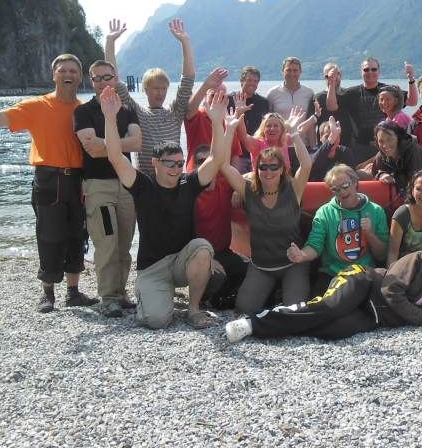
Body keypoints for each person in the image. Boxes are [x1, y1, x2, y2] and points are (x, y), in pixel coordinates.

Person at [0, 59, 99, 313]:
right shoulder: (36, 106)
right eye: (62, 70)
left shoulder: (85, 109)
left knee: (77, 235)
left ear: (81, 77)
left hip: (78, 180)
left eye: (73, 71)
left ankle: (73, 292)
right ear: (54, 75)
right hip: (49, 178)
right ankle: (47, 293)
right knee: (49, 236)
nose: (68, 74)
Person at [101, 86, 230, 329]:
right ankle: (152, 293)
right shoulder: (142, 186)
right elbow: (115, 157)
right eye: (169, 163)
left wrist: (216, 121)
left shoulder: (189, 184)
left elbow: (217, 159)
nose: (175, 168)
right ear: (154, 163)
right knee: (156, 321)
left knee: (203, 247)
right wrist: (110, 117)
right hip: (153, 268)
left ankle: (193, 309)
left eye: (179, 163)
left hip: (182, 261)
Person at [225, 233, 422, 343]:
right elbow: (391, 291)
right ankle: (254, 323)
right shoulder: (417, 261)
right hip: (364, 282)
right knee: (329, 308)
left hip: (375, 316)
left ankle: (281, 325)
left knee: (333, 331)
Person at [218, 115, 313, 314]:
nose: (268, 172)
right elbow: (225, 166)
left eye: (274, 167)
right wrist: (230, 129)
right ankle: (272, 293)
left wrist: (293, 132)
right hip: (262, 266)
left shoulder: (293, 190)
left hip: (293, 263)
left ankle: (282, 292)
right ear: (257, 169)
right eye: (263, 167)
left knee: (295, 310)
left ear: (282, 169)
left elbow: (306, 165)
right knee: (244, 308)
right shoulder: (249, 191)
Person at [74, 59, 142, 318]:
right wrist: (119, 143)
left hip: (127, 185)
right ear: (91, 81)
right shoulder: (84, 111)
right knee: (106, 242)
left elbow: (137, 143)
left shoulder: (127, 110)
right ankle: (108, 297)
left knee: (124, 242)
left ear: (115, 78)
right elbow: (91, 148)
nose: (103, 82)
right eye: (97, 78)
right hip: (98, 186)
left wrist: (108, 145)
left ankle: (121, 293)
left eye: (107, 77)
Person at [107, 19, 194, 177]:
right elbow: (114, 80)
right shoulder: (137, 113)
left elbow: (187, 81)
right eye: (156, 88)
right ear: (146, 90)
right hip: (147, 183)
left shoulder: (175, 113)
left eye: (163, 88)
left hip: (173, 180)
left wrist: (185, 41)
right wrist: (110, 42)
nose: (160, 93)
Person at [286, 165, 389, 296]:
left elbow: (382, 255)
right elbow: (315, 245)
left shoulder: (376, 211)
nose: (342, 192)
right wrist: (301, 255)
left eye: (345, 185)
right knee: (319, 303)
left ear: (355, 182)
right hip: (332, 275)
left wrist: (370, 234)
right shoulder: (324, 212)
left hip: (364, 273)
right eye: (336, 189)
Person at [191, 143, 248, 310]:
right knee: (217, 276)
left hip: (223, 251)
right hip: (197, 255)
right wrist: (207, 259)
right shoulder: (189, 192)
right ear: (194, 166)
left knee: (250, 269)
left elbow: (250, 179)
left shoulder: (225, 184)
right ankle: (201, 299)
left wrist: (237, 190)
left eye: (210, 161)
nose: (206, 165)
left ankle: (219, 297)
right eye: (200, 161)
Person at [332, 59, 417, 161]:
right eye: (366, 69)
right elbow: (332, 106)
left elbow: (412, 101)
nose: (370, 72)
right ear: (361, 72)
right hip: (361, 148)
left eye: (373, 69)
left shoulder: (387, 91)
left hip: (386, 146)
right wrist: (332, 83)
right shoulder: (351, 93)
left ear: (379, 71)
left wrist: (411, 79)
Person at [184, 75, 241, 171]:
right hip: (198, 174)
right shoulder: (197, 116)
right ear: (205, 96)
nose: (217, 99)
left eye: (222, 97)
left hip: (222, 177)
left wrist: (234, 177)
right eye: (213, 95)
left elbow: (235, 155)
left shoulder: (228, 123)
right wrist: (206, 85)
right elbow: (190, 110)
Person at [266, 57, 316, 147]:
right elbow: (266, 123)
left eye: (295, 70)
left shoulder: (309, 93)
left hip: (303, 146)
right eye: (288, 70)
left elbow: (311, 124)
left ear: (300, 72)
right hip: (279, 146)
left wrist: (313, 147)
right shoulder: (272, 93)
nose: (292, 73)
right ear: (283, 72)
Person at [228, 66, 269, 172]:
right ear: (241, 81)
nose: (252, 83)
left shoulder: (263, 102)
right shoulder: (229, 100)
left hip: (256, 153)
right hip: (235, 155)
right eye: (249, 80)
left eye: (255, 81)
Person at [307, 62, 354, 148]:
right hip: (325, 145)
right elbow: (311, 126)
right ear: (324, 78)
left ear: (341, 75)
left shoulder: (348, 94)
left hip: (347, 145)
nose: (333, 78)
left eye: (337, 74)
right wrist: (314, 147)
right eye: (328, 76)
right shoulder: (318, 98)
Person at [309, 116, 357, 182]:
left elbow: (353, 177)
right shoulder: (313, 152)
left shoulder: (345, 152)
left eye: (335, 136)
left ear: (339, 138)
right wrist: (330, 141)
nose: (333, 140)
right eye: (327, 137)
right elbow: (312, 166)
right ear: (320, 137)